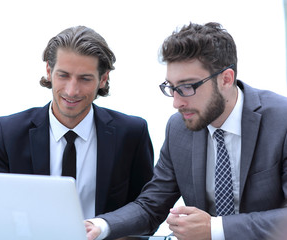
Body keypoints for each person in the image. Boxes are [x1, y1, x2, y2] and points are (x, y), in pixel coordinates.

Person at [86, 22, 287, 240]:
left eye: (187, 87)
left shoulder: (281, 120)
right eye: (171, 88)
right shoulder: (179, 128)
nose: (176, 102)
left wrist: (215, 229)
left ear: (226, 79)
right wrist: (100, 225)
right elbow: (151, 206)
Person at [0, 26, 154, 237]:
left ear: (103, 79)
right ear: (49, 72)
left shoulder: (132, 133)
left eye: (85, 78)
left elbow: (147, 216)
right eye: (63, 75)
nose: (71, 90)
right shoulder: (10, 133)